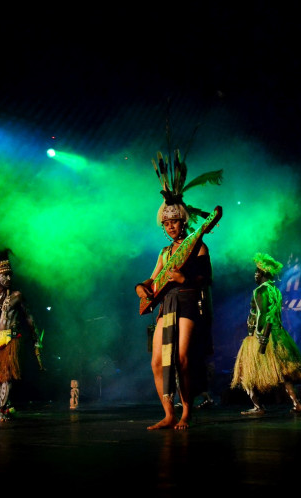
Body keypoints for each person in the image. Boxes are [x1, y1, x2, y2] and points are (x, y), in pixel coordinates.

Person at [135, 149, 221, 430]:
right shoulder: (163, 252)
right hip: (165, 305)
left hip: (187, 303)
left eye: (175, 222)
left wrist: (182, 279)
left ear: (183, 222)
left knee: (182, 358)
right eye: (167, 223)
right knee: (157, 361)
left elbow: (205, 278)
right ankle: (168, 413)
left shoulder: (198, 245)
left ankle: (186, 411)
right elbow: (152, 280)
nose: (171, 226)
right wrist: (141, 288)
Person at [231, 252, 301, 415]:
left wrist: (259, 336)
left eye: (257, 272)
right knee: (283, 372)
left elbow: (264, 314)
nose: (254, 275)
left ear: (263, 273)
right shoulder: (276, 290)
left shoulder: (260, 291)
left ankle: (258, 407)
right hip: (278, 335)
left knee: (244, 372)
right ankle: (296, 403)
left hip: (261, 335)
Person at [0, 249, 44, 422]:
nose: (8, 279)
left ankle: (3, 408)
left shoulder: (17, 296)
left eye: (10, 275)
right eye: (5, 276)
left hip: (11, 337)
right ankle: (6, 406)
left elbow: (29, 318)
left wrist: (36, 340)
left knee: (7, 375)